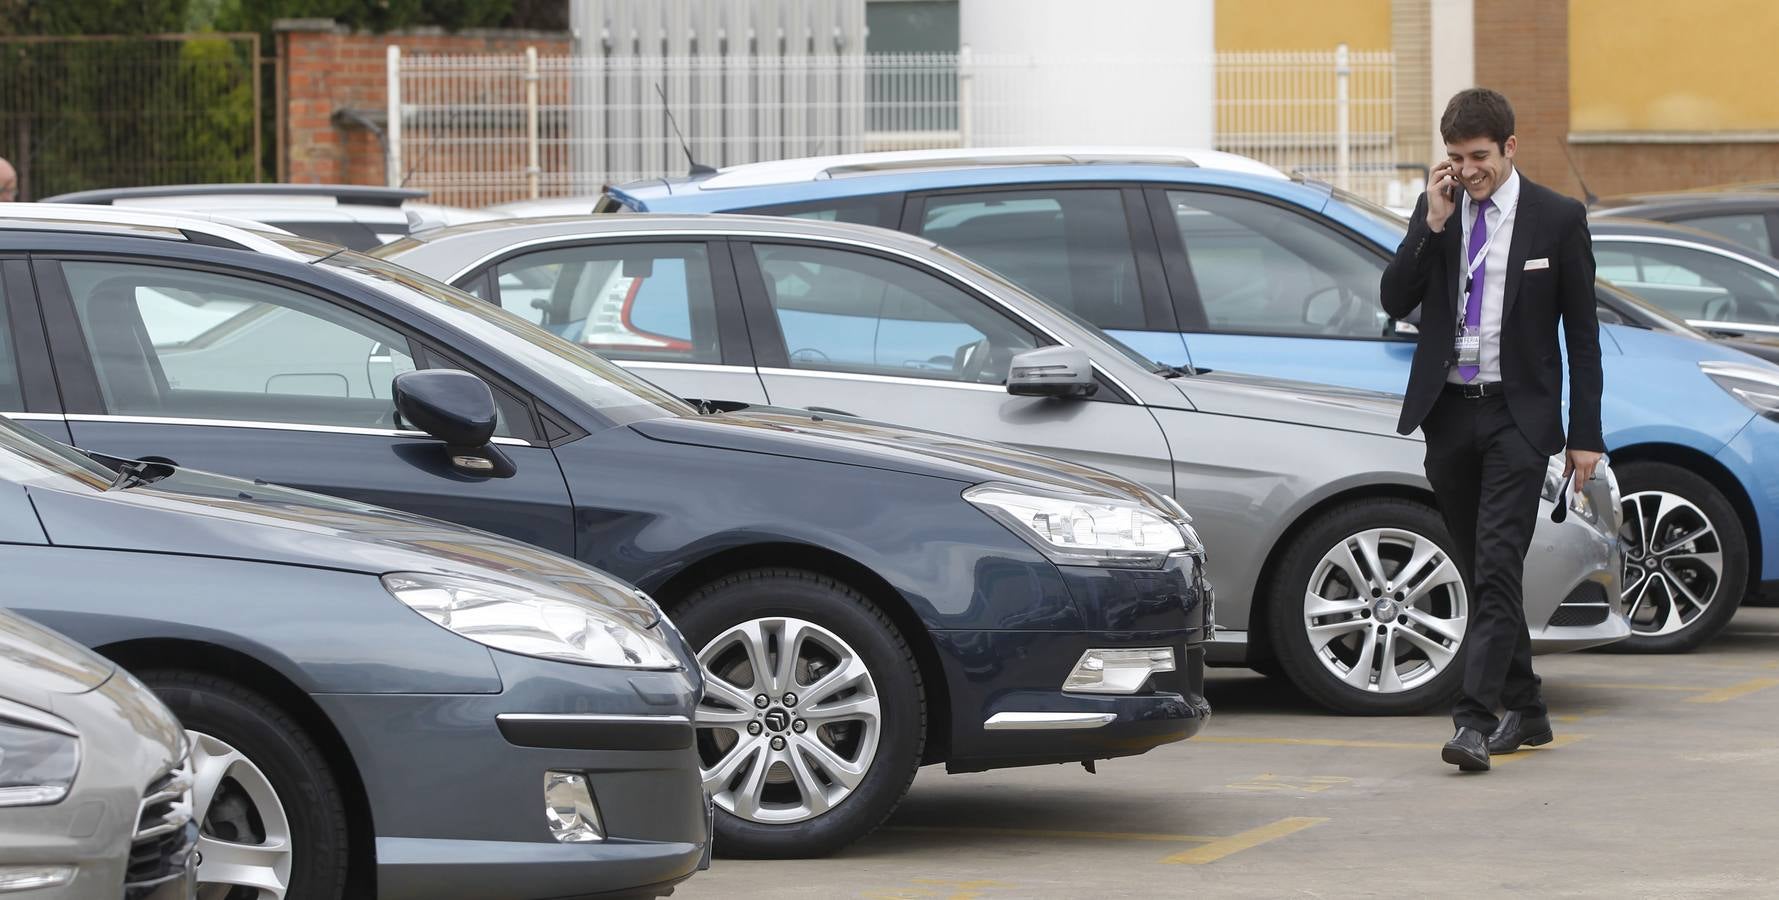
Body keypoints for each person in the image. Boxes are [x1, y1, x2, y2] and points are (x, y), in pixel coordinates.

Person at [1380, 88, 1604, 772]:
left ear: (1509, 147)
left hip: (1518, 415)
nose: (1466, 169)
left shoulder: (1556, 218)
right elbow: (1394, 299)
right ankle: (1528, 709)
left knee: (1499, 563)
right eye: (1454, 157)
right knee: (1482, 572)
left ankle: (1473, 721)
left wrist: (1583, 434)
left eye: (1477, 157)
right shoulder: (1439, 210)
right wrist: (1433, 224)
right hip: (1448, 414)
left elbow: (1582, 335)